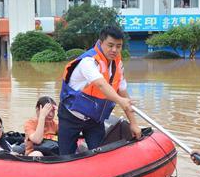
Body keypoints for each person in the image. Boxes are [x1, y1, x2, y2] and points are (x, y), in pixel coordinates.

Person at [58, 26, 142, 155]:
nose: (114, 50)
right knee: (65, 156)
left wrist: (134, 124)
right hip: (71, 117)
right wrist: (120, 101)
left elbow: (124, 93)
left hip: (94, 119)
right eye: (110, 45)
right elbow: (101, 85)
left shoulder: (118, 65)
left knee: (100, 156)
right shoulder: (88, 62)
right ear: (101, 42)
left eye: (118, 46)